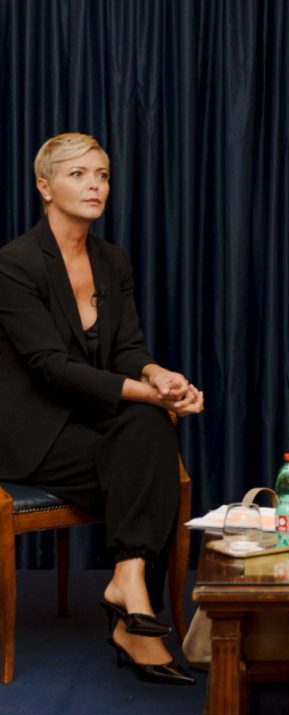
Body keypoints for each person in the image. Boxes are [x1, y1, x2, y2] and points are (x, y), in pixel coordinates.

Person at [0, 133, 204, 685]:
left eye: (103, 175)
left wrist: (160, 376)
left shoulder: (112, 261)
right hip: (33, 431)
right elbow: (50, 366)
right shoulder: (15, 263)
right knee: (150, 441)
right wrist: (151, 395)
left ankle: (129, 583)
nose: (95, 186)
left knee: (148, 426)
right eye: (78, 174)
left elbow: (129, 349)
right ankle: (136, 622)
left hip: (95, 421)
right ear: (44, 187)